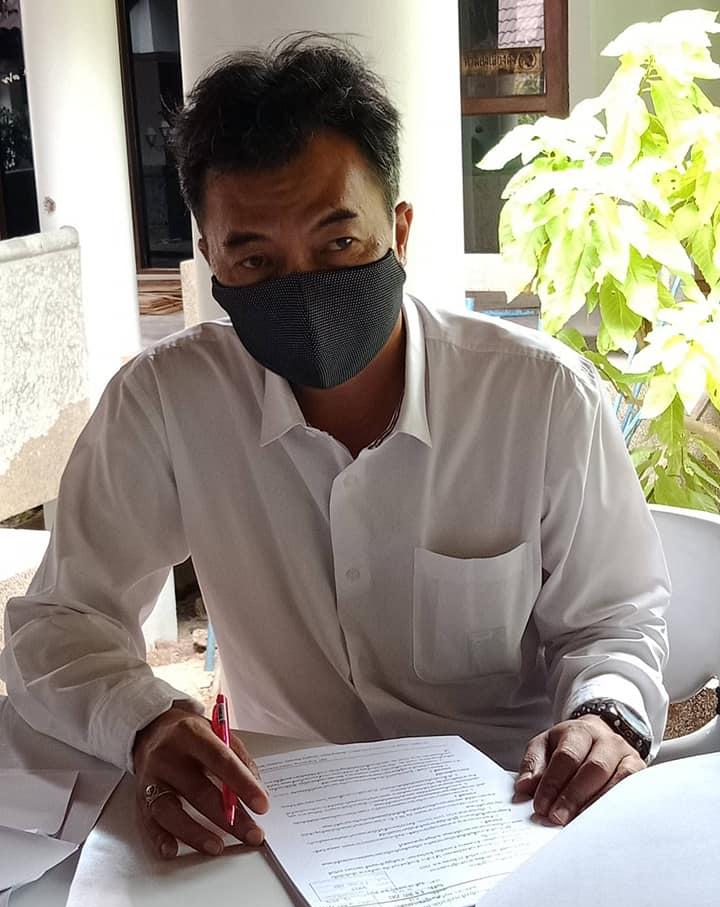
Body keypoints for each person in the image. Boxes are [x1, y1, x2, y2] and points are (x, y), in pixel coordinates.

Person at [1, 35, 670, 861]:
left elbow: (615, 619)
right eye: (255, 258)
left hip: (512, 814)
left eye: (338, 244)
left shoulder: (539, 399)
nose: (304, 289)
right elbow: (59, 623)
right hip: (275, 821)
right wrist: (144, 719)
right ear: (210, 261)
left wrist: (605, 713)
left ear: (400, 230)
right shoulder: (167, 404)